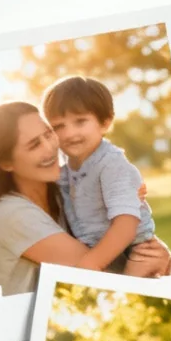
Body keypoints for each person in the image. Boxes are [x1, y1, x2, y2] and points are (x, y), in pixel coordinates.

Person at [0, 101, 171, 295]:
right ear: (6, 163)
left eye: (48, 134)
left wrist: (156, 255)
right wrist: (141, 270)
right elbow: (104, 284)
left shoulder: (65, 192)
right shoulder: (11, 214)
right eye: (34, 144)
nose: (50, 147)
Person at [42, 75, 155, 272]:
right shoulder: (66, 169)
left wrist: (91, 263)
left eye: (80, 121)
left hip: (135, 250)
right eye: (59, 126)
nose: (69, 133)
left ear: (104, 123)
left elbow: (126, 224)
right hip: (99, 250)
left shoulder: (111, 164)